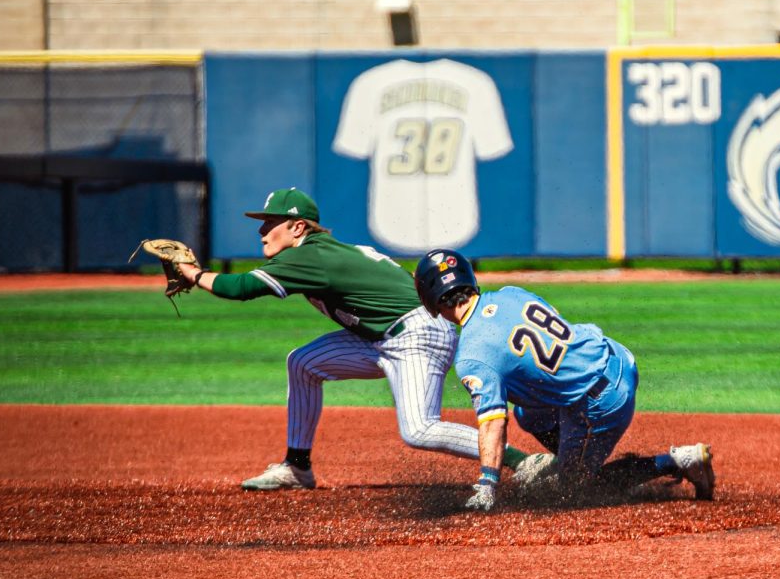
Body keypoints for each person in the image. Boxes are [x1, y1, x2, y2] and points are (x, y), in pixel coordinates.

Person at [173, 187, 534, 490]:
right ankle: (297, 467)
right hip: (383, 338)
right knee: (302, 363)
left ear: (298, 227)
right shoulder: (323, 252)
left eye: (271, 222)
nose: (262, 230)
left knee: (420, 430)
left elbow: (240, 287)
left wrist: (194, 273)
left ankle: (523, 461)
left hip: (416, 333)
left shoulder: (308, 255)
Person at [414, 248, 715, 512]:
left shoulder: (472, 356)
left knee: (574, 489)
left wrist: (487, 484)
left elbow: (493, 422)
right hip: (618, 355)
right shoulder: (510, 294)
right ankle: (576, 456)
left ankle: (678, 461)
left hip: (602, 401)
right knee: (526, 413)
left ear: (431, 300)